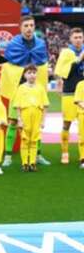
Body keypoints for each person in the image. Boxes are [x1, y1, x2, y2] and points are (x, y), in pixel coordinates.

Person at [0, 16, 51, 167]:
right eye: (26, 25)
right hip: (18, 91)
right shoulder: (13, 45)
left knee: (35, 125)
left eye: (31, 25)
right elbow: (8, 67)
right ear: (20, 27)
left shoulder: (40, 45)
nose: (29, 28)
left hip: (35, 92)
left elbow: (42, 67)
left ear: (34, 27)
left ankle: (38, 154)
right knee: (13, 122)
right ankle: (8, 156)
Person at [53, 27, 84, 165]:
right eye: (75, 37)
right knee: (67, 123)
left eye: (80, 37)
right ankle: (65, 152)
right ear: (70, 39)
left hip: (82, 93)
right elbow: (64, 72)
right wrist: (79, 59)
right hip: (69, 92)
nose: (78, 40)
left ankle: (82, 155)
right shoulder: (66, 52)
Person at [12, 64, 49, 172]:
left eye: (34, 73)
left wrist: (43, 120)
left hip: (37, 116)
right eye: (29, 73)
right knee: (25, 140)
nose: (32, 75)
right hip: (25, 115)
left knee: (34, 140)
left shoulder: (40, 88)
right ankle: (24, 163)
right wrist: (19, 119)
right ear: (24, 75)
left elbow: (45, 105)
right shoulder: (21, 88)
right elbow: (18, 105)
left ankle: (32, 162)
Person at [74, 80, 84, 169]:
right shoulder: (80, 84)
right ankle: (83, 158)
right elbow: (78, 100)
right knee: (83, 137)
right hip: (82, 114)